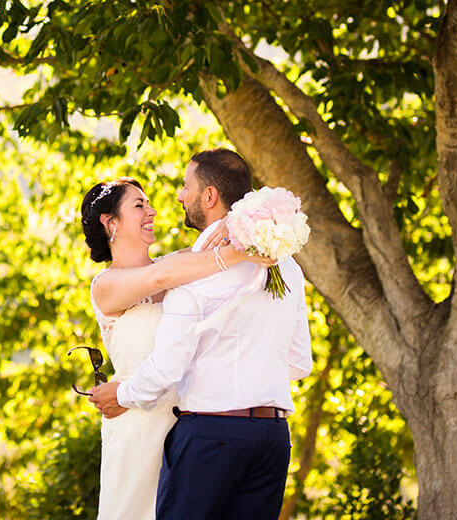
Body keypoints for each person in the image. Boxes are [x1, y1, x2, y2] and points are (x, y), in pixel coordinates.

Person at [89, 149, 313, 520]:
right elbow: (299, 362)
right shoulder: (282, 266)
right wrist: (250, 240)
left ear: (209, 197)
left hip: (200, 430)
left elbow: (168, 365)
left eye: (185, 187)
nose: (167, 202)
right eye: (139, 206)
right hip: (261, 436)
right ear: (110, 223)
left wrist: (122, 394)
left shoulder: (191, 270)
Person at [80, 175, 255, 520]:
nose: (153, 211)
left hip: (190, 424)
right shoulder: (106, 285)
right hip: (136, 420)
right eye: (139, 205)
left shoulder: (177, 265)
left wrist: (242, 228)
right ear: (110, 222)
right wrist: (238, 252)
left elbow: (193, 259)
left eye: (150, 204)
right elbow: (161, 278)